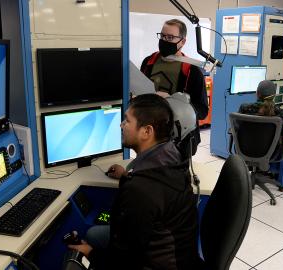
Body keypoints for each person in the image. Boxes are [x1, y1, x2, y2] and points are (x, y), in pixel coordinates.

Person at [69, 94, 201, 270]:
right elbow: (155, 193)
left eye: (127, 121)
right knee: (94, 233)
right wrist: (126, 176)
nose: (121, 125)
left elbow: (126, 259)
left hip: (156, 263)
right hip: (176, 252)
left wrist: (91, 254)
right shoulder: (172, 157)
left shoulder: (139, 190)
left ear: (147, 131)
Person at [140, 19, 208, 121]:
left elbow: (202, 111)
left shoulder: (192, 71)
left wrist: (171, 102)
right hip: (150, 125)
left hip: (178, 132)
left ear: (182, 42)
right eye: (162, 36)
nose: (164, 40)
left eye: (170, 37)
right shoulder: (148, 62)